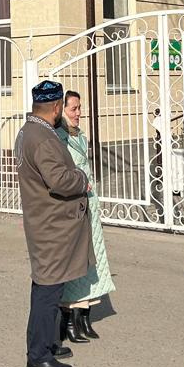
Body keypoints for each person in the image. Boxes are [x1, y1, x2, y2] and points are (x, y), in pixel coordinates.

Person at [15, 79, 93, 367]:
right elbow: (59, 180)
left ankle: (47, 342)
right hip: (52, 225)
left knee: (49, 286)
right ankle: (38, 356)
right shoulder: (44, 138)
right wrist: (81, 179)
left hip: (45, 221)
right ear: (57, 106)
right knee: (47, 292)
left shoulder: (30, 130)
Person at [57, 90, 115, 343]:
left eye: (80, 108)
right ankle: (69, 319)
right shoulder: (58, 138)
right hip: (73, 205)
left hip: (89, 202)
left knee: (94, 261)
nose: (78, 113)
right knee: (76, 262)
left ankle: (84, 316)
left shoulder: (80, 136)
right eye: (73, 109)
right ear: (61, 110)